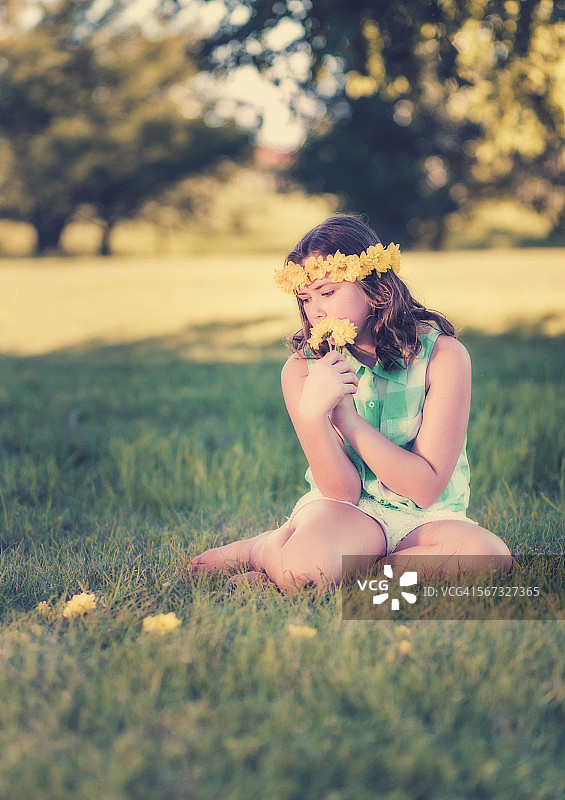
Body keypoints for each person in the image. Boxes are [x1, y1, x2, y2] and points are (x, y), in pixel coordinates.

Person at [189, 215, 511, 591]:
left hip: (425, 518)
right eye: (306, 299)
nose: (316, 311)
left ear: (374, 288)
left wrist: (344, 415)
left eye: (328, 292)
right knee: (305, 575)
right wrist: (315, 415)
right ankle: (266, 549)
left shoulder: (444, 356)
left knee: (489, 559)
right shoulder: (302, 371)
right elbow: (342, 491)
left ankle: (347, 574)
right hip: (347, 511)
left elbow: (425, 488)